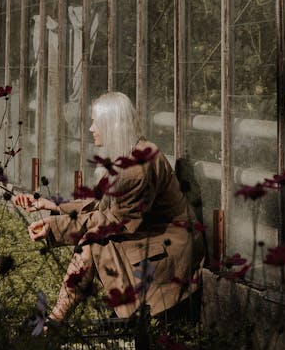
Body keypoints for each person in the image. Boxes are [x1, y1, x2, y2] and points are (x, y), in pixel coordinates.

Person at [13, 92, 205, 323]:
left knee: (93, 242)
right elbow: (103, 204)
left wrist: (55, 226)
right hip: (153, 234)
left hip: (172, 247)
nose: (92, 128)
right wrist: (54, 206)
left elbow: (115, 219)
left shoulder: (136, 168)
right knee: (92, 242)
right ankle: (56, 319)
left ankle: (55, 320)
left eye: (97, 122)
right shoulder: (132, 153)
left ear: (113, 126)